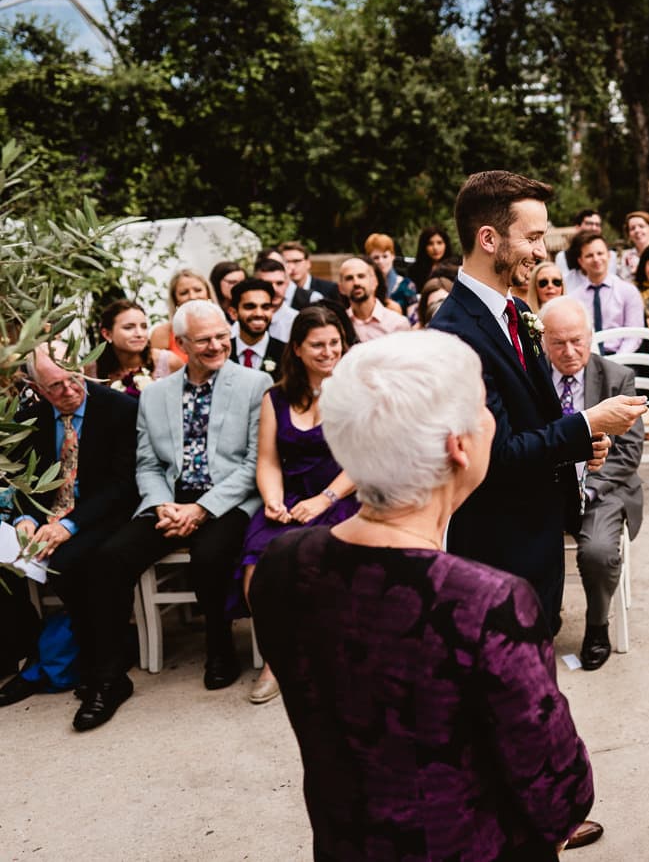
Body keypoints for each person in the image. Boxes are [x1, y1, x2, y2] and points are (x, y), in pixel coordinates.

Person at [250, 330, 599, 858]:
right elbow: (561, 793)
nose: (491, 423)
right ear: (457, 446)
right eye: (485, 410)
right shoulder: (485, 602)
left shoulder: (285, 564)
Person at [427, 170, 646, 628]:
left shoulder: (519, 311)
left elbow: (537, 417)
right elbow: (499, 454)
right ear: (489, 238)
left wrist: (585, 443)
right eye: (532, 237)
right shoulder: (454, 334)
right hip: (500, 545)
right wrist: (587, 424)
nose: (542, 252)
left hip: (540, 531)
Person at [70, 300, 270, 730]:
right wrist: (164, 505)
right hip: (169, 499)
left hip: (229, 500)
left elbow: (255, 463)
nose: (218, 344)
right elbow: (147, 464)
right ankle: (108, 677)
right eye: (205, 339)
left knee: (212, 554)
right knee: (108, 559)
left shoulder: (256, 383)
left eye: (222, 335)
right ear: (181, 344)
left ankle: (220, 648)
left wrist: (201, 509)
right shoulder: (157, 393)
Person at [233, 305, 360, 704]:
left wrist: (323, 500)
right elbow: (268, 459)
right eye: (317, 345)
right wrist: (272, 499)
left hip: (343, 493)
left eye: (334, 343)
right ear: (298, 350)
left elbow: (363, 459)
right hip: (290, 496)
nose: (327, 352)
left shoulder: (359, 392)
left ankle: (326, 657)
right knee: (258, 563)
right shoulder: (277, 397)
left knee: (324, 560)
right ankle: (278, 659)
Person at [0, 346, 139, 707]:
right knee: (8, 569)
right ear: (36, 387)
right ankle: (40, 659)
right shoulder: (31, 418)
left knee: (70, 563)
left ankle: (99, 665)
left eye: (74, 378)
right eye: (56, 386)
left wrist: (69, 526)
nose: (70, 390)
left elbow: (122, 486)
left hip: (101, 512)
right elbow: (20, 481)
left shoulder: (118, 409)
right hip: (48, 516)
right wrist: (25, 519)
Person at [539, 297, 644, 671]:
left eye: (576, 341)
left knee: (598, 552)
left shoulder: (617, 378)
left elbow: (628, 453)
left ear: (590, 337)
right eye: (558, 342)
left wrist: (588, 487)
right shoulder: (532, 379)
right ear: (543, 342)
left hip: (602, 489)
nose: (568, 352)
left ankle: (597, 625)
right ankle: (541, 621)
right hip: (546, 488)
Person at [565, 230, 646, 355]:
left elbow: (634, 336)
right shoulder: (574, 299)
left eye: (600, 253)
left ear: (609, 255)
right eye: (589, 255)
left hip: (624, 359)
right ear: (581, 261)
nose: (596, 259)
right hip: (588, 359)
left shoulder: (628, 291)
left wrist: (616, 362)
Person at [91, 299, 182, 395]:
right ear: (107, 334)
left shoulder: (168, 362)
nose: (139, 334)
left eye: (144, 327)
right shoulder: (93, 369)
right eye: (128, 327)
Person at [337, 256, 410, 342]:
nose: (356, 283)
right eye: (349, 278)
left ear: (374, 282)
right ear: (341, 288)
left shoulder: (397, 324)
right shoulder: (339, 324)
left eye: (361, 276)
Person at [149, 268, 213, 362]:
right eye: (184, 293)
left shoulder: (225, 327)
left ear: (208, 294)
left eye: (198, 290)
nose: (192, 297)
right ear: (175, 301)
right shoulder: (162, 334)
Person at [229, 277, 287, 373]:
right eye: (250, 307)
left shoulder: (287, 354)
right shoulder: (222, 352)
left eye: (265, 307)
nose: (259, 314)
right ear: (233, 313)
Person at [364, 233, 418, 316]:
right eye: (376, 258)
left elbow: (414, 320)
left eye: (385, 256)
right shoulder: (364, 285)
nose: (381, 261)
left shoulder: (407, 285)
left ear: (392, 256)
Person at [253, 255, 297, 343]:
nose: (274, 290)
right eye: (268, 284)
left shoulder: (297, 322)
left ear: (287, 284)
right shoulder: (244, 321)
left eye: (279, 283)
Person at [279, 241, 336, 310]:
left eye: (297, 261)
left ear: (308, 263)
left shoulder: (328, 289)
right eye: (287, 262)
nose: (292, 267)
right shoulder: (279, 291)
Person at [555, 209, 608, 277]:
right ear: (577, 227)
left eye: (597, 224)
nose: (594, 228)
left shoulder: (611, 256)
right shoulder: (563, 257)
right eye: (589, 223)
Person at [407, 226, 454, 292]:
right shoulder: (414, 270)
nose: (435, 248)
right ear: (424, 246)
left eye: (439, 243)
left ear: (446, 244)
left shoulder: (455, 269)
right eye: (430, 243)